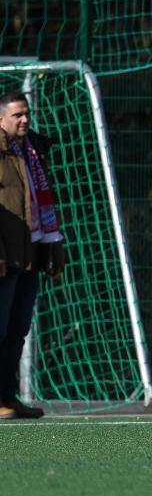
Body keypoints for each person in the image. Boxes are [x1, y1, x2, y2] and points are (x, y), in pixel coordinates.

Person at [0, 92, 66, 419]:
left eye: (26, 114)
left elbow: (44, 200)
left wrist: (55, 245)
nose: (25, 120)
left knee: (17, 330)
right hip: (6, 256)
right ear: (1, 119)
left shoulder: (35, 149)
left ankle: (7, 396)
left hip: (34, 250)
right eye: (17, 115)